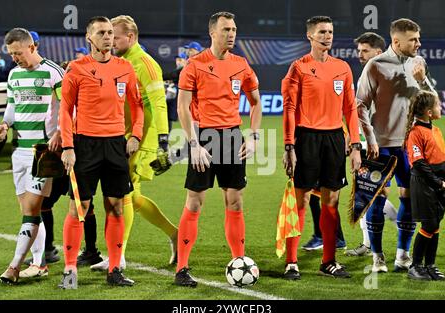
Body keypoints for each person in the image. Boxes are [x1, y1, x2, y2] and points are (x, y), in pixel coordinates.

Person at [174, 11, 262, 287]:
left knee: (235, 201)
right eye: (226, 29)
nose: (232, 33)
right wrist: (194, 143)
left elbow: (256, 102)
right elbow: (182, 107)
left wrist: (254, 136)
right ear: (213, 33)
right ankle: (181, 269)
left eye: (234, 29)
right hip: (203, 138)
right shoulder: (195, 64)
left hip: (233, 138)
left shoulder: (241, 64)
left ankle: (239, 260)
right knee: (195, 202)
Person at [87, 14, 178, 272]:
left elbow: (158, 103)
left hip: (142, 139)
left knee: (123, 194)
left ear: (131, 36)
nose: (110, 40)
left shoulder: (145, 64)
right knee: (132, 197)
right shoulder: (120, 61)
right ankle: (175, 235)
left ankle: (119, 256)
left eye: (115, 36)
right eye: (107, 35)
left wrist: (161, 140)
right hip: (123, 138)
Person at [58, 16, 144, 289]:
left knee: (116, 207)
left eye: (110, 33)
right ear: (89, 37)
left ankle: (115, 268)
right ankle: (70, 269)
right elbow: (65, 110)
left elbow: (138, 106)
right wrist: (68, 146)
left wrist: (136, 135)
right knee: (79, 207)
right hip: (85, 145)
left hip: (115, 145)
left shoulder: (125, 67)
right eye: (101, 33)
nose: (108, 37)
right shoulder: (77, 68)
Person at [282, 16, 361, 280]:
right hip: (306, 138)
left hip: (334, 139)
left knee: (332, 201)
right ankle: (292, 261)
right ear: (310, 36)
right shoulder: (299, 68)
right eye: (321, 32)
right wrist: (289, 145)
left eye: (330, 32)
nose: (327, 36)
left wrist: (356, 144)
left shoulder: (343, 68)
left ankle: (328, 261)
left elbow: (350, 108)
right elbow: (290, 108)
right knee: (301, 199)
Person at [356, 18, 437, 273]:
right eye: (413, 39)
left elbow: (434, 108)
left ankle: (402, 255)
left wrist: (423, 82)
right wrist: (369, 140)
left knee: (410, 199)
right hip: (380, 145)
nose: (418, 43)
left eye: (418, 38)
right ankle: (378, 257)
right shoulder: (376, 65)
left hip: (409, 146)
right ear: (396, 41)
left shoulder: (418, 64)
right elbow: (359, 106)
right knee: (377, 200)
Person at [0, 28, 63, 284]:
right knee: (29, 211)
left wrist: (61, 133)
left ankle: (14, 267)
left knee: (32, 210)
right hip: (19, 151)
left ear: (32, 47)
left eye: (18, 52)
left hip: (44, 151)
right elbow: (12, 109)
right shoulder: (14, 74)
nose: (15, 58)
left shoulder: (54, 72)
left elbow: (70, 107)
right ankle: (38, 263)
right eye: (11, 53)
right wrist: (4, 124)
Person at [345, 32, 399, 257]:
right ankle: (373, 243)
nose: (360, 55)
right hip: (374, 142)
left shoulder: (381, 74)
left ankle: (402, 230)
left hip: (376, 144)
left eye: (364, 51)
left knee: (370, 192)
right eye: (358, 51)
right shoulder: (378, 73)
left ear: (378, 51)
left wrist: (362, 142)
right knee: (374, 192)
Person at [404, 90, 445, 280]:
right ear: (429, 112)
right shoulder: (415, 133)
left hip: (438, 184)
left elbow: (442, 159)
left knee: (435, 223)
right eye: (437, 105)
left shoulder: (435, 130)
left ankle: (429, 265)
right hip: (424, 184)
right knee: (429, 224)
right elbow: (419, 164)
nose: (440, 108)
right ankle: (415, 266)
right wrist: (439, 183)